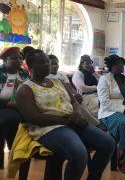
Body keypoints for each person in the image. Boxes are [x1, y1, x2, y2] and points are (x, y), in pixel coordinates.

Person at [16, 49, 115, 180]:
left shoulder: (58, 82)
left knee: (108, 143)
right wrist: (68, 120)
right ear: (30, 66)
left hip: (72, 122)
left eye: (47, 61)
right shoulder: (25, 89)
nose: (47, 64)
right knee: (79, 154)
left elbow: (74, 102)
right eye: (42, 62)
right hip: (49, 128)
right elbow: (35, 118)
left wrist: (77, 115)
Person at [48, 54, 99, 126]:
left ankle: (94, 123)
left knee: (80, 102)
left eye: (56, 63)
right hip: (63, 97)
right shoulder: (47, 76)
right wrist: (97, 87)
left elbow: (71, 89)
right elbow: (83, 88)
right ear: (81, 64)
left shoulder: (62, 75)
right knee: (83, 104)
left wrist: (76, 95)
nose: (54, 66)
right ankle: (96, 124)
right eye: (52, 64)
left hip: (77, 95)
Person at [0, 47, 29, 151]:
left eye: (20, 58)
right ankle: (13, 148)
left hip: (23, 107)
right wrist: (11, 105)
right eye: (14, 58)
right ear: (5, 60)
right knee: (11, 118)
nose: (19, 61)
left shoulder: (23, 73)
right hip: (4, 107)